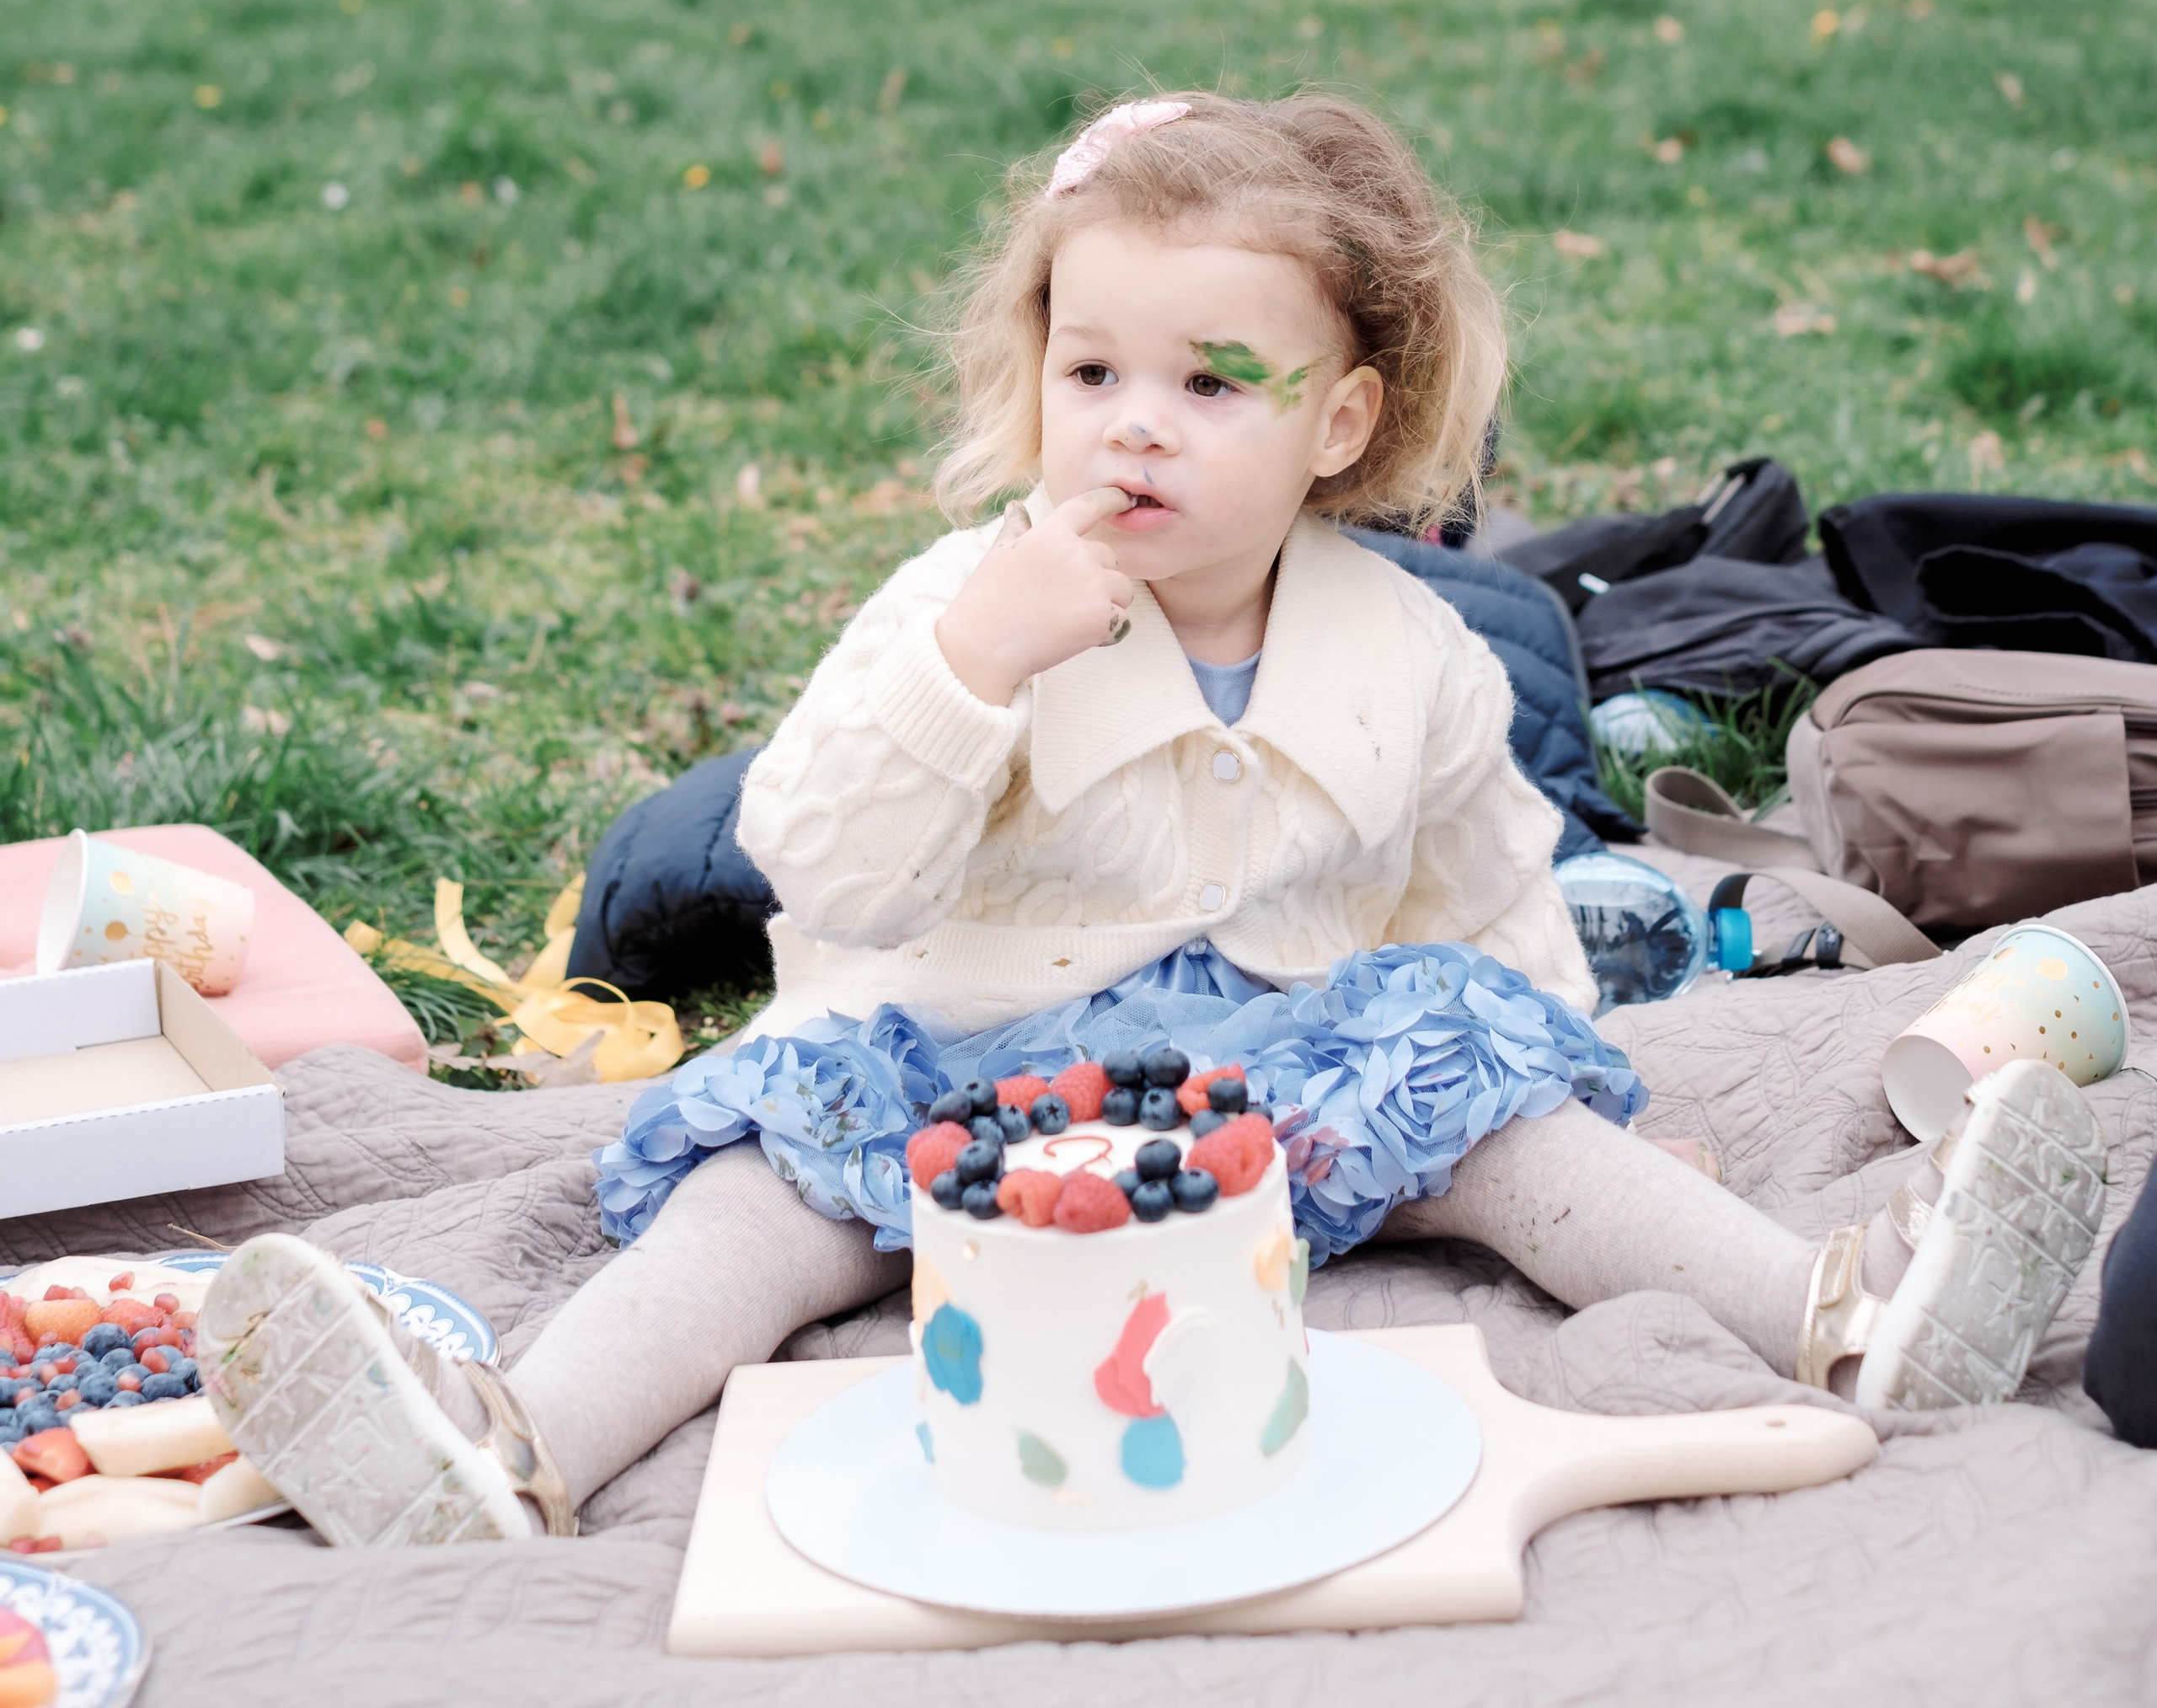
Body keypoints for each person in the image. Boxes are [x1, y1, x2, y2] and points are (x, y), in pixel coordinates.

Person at [192, 93, 2108, 1546]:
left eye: (1208, 383)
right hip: (962, 1065)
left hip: (1284, 1075)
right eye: (1089, 369)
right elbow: (833, 850)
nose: (1132, 422)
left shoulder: (1405, 642)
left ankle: (1836, 1315)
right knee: (753, 1198)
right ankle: (509, 1443)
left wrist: (1572, 1082)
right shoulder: (967, 601)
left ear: (1338, 425)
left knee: (1500, 1114)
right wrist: (968, 667)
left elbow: (1476, 890)